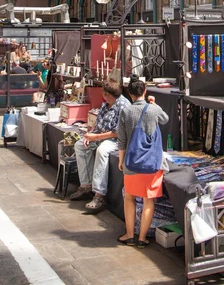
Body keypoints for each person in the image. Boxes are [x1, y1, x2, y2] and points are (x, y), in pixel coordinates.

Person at [117, 79, 169, 248]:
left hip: (131, 162)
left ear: (129, 94)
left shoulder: (126, 111)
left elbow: (122, 139)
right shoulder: (153, 109)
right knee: (148, 200)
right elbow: (165, 119)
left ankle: (130, 235)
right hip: (152, 162)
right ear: (145, 91)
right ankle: (142, 238)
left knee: (129, 198)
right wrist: (154, 104)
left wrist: (121, 160)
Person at [70, 79, 130, 213]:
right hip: (101, 135)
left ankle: (99, 194)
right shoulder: (105, 105)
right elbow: (98, 125)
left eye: (104, 92)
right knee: (80, 145)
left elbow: (118, 132)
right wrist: (89, 135)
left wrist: (95, 137)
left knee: (102, 151)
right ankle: (86, 185)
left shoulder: (123, 106)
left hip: (117, 140)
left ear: (108, 94)